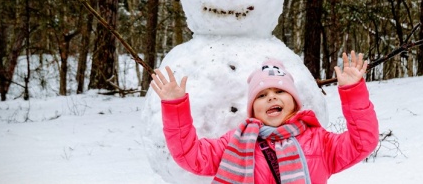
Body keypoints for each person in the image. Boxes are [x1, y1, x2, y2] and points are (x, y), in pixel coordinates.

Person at [151, 51, 379, 184]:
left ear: (294, 102)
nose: (271, 98)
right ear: (252, 109)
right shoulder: (235, 143)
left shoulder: (319, 141)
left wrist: (353, 92)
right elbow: (190, 156)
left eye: (280, 92)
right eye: (262, 95)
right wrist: (175, 107)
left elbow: (363, 142)